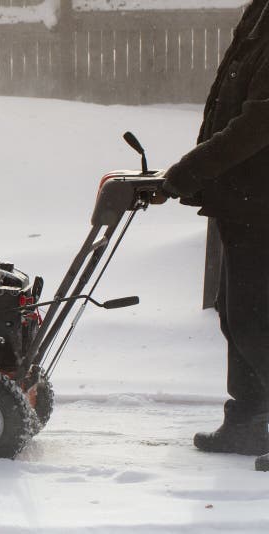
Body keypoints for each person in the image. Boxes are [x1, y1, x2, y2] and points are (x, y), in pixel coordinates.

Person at [160, 0, 269, 472]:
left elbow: (258, 122)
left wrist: (191, 170)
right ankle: (247, 421)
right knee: (236, 314)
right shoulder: (259, 12)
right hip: (243, 196)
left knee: (252, 319)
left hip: (261, 199)